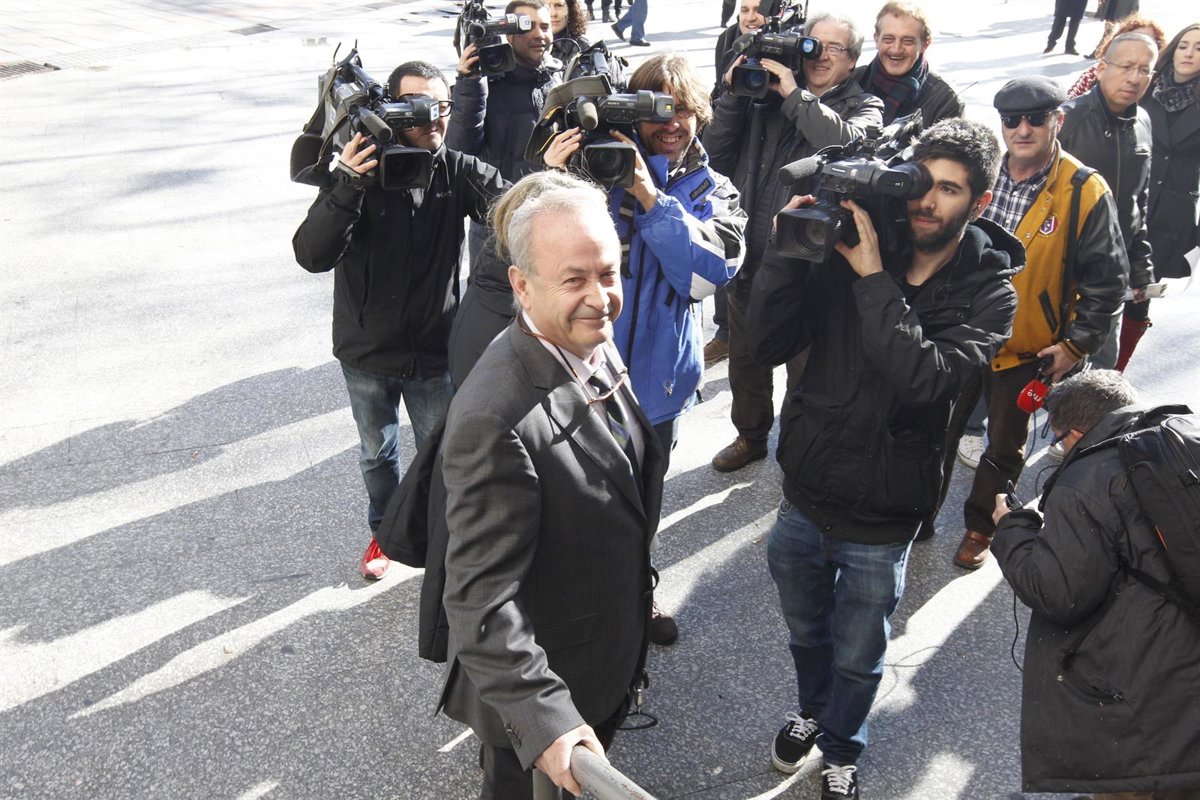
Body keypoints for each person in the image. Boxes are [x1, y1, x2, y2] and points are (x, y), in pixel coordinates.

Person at [749, 118, 1020, 800]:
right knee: (806, 631)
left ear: (980, 202)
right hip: (806, 488)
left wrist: (872, 279)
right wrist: (787, 252)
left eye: (950, 189)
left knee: (860, 650)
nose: (927, 200)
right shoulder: (854, 242)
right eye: (920, 182)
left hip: (885, 507)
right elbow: (764, 344)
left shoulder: (991, 292)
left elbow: (927, 379)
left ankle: (843, 746)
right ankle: (814, 712)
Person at [437, 174, 666, 799]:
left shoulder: (584, 339)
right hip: (547, 690)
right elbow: (480, 598)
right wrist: (545, 719)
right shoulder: (495, 417)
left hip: (603, 654)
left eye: (609, 273)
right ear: (521, 285)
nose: (601, 297)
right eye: (574, 279)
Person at [542, 52, 748, 644]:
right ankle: (567, 598)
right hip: (576, 374)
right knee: (568, 497)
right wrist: (551, 178)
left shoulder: (713, 189)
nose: (671, 121)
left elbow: (706, 276)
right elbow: (528, 252)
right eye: (656, 108)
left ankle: (636, 589)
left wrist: (650, 195)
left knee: (642, 501)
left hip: (657, 384)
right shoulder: (589, 173)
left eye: (683, 108)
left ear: (701, 114)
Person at [292, 61, 507, 580]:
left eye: (441, 105)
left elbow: (514, 208)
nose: (433, 118)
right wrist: (348, 186)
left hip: (434, 349)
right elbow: (312, 255)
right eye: (416, 106)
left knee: (446, 452)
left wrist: (555, 169)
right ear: (390, 109)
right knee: (377, 453)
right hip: (366, 352)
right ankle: (385, 532)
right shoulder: (358, 171)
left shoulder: (455, 168)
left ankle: (447, 537)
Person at [991, 369, 1200, 798]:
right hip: (1185, 652)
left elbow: (1058, 594)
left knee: (1137, 786)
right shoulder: (1180, 433)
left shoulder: (1086, 480)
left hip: (1144, 685)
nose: (1059, 449)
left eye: (1059, 438)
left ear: (1077, 432)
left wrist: (1011, 528)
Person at [952, 76, 1127, 570]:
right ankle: (917, 514)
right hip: (961, 333)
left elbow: (1109, 281)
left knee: (1004, 447)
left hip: (1026, 347)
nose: (1023, 129)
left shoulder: (1084, 189)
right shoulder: (981, 172)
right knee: (933, 431)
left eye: (1036, 119)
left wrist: (1075, 345)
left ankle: (980, 528)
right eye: (1012, 120)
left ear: (1058, 121)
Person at [703, 11, 884, 472]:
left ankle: (800, 453)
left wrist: (794, 95)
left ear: (853, 60)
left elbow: (847, 144)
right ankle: (750, 436)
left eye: (834, 48)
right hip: (753, 254)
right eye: (813, 45)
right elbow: (714, 152)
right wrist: (735, 94)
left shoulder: (865, 105)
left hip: (809, 267)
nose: (820, 56)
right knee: (746, 360)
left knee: (807, 371)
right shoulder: (763, 97)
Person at [1059, 31, 1156, 370]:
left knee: (1098, 375)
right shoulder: (1067, 119)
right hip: (1061, 274)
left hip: (1112, 277)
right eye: (1126, 66)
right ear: (1101, 68)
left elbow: (1137, 203)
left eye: (1145, 70)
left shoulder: (1143, 122)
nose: (1134, 77)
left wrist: (1141, 269)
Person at [1130, 23, 1200, 370]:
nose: (1189, 53)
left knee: (1139, 295)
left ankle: (1112, 372)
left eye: (1199, 48)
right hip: (1129, 197)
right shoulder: (1146, 86)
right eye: (1184, 45)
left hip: (1172, 212)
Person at [706, 0, 769, 367]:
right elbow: (719, 92)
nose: (750, 17)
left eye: (758, 9)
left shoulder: (790, 41)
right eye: (744, 8)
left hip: (770, 150)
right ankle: (725, 333)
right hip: (732, 146)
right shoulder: (728, 38)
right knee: (726, 237)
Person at [449, 0, 560, 184]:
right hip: (502, 198)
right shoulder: (484, 84)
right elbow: (458, 152)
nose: (539, 35)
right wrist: (470, 84)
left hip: (550, 195)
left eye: (545, 27)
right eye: (527, 27)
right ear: (509, 35)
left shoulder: (557, 77)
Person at [854, 1, 965, 126]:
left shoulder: (945, 100)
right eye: (888, 39)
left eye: (907, 41)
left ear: (925, 44)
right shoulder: (851, 82)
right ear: (876, 39)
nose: (896, 49)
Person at [1066, 15, 1165, 98]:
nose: (1134, 79)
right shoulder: (1093, 73)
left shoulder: (1158, 88)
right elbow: (1070, 101)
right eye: (1126, 67)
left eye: (1148, 42)